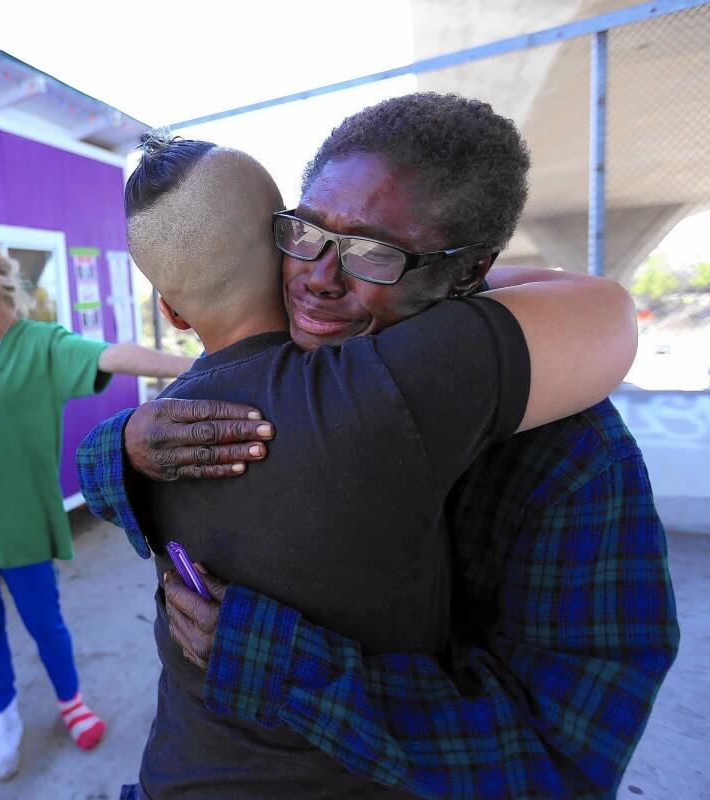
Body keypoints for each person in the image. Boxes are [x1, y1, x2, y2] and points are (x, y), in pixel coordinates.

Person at [80, 94, 678, 799]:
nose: (318, 277)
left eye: (374, 253)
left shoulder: (575, 457)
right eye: (304, 232)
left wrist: (281, 665)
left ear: (466, 274)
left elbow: (565, 758)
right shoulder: (251, 392)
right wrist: (123, 445)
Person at [0, 237, 192, 782]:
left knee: (46, 623)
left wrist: (196, 364)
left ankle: (71, 702)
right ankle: (5, 721)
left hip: (20, 521)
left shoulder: (41, 344)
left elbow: (108, 355)